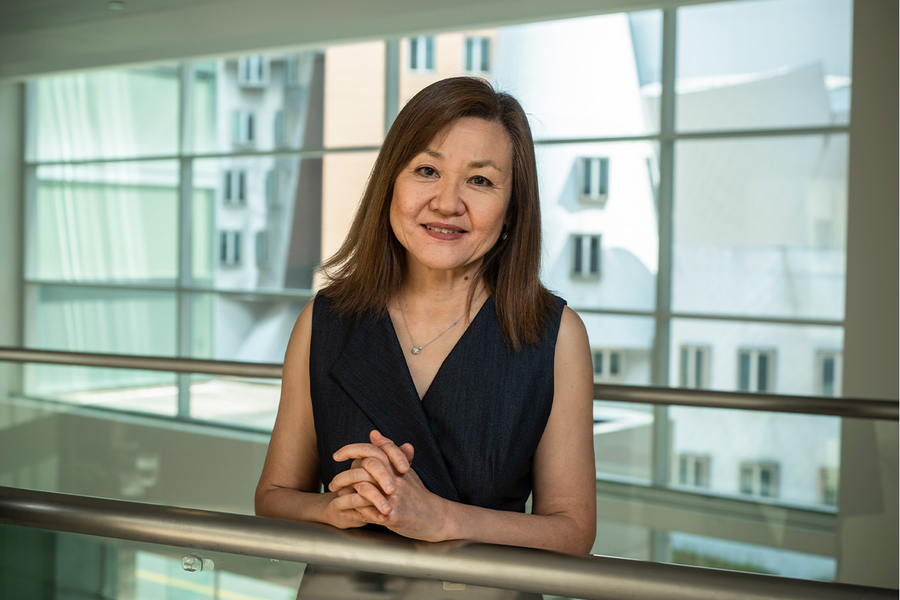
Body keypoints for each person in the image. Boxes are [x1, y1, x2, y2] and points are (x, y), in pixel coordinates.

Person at [255, 76, 596, 555]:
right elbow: (272, 497)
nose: (447, 203)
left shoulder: (555, 337)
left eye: (480, 180)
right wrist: (329, 510)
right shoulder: (324, 320)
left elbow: (574, 532)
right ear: (390, 184)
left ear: (512, 209)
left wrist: (440, 517)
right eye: (427, 171)